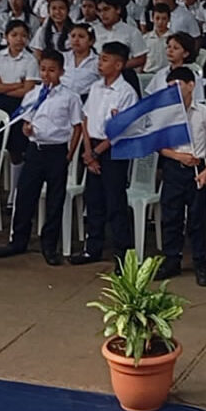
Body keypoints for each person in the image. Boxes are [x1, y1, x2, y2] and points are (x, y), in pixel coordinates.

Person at [0, 48, 83, 264]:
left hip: (57, 151)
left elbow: (77, 127)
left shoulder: (70, 97)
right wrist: (27, 129)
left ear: (61, 71)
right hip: (35, 150)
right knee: (25, 196)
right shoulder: (33, 94)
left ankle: (49, 246)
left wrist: (69, 155)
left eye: (52, 70)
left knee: (54, 201)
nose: (46, 74)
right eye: (43, 69)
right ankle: (18, 241)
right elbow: (26, 119)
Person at [153, 66, 206, 286]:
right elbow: (160, 146)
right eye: (170, 87)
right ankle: (172, 259)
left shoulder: (203, 112)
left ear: (191, 86)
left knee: (197, 220)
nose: (174, 90)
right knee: (171, 217)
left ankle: (201, 262)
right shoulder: (167, 115)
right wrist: (178, 156)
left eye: (178, 85)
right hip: (174, 169)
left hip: (196, 172)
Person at [72, 41, 137, 267]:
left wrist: (97, 153)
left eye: (105, 60)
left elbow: (122, 129)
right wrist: (88, 150)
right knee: (94, 200)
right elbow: (87, 118)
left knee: (115, 201)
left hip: (113, 149)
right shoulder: (96, 87)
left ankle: (122, 255)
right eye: (100, 58)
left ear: (119, 65)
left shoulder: (126, 92)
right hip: (93, 145)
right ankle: (93, 248)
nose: (100, 63)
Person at [0, 20, 39, 204]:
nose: (19, 39)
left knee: (16, 151)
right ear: (6, 37)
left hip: (20, 106)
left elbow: (28, 90)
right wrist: (17, 84)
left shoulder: (30, 60)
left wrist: (3, 86)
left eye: (23, 35)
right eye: (14, 35)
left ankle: (14, 194)